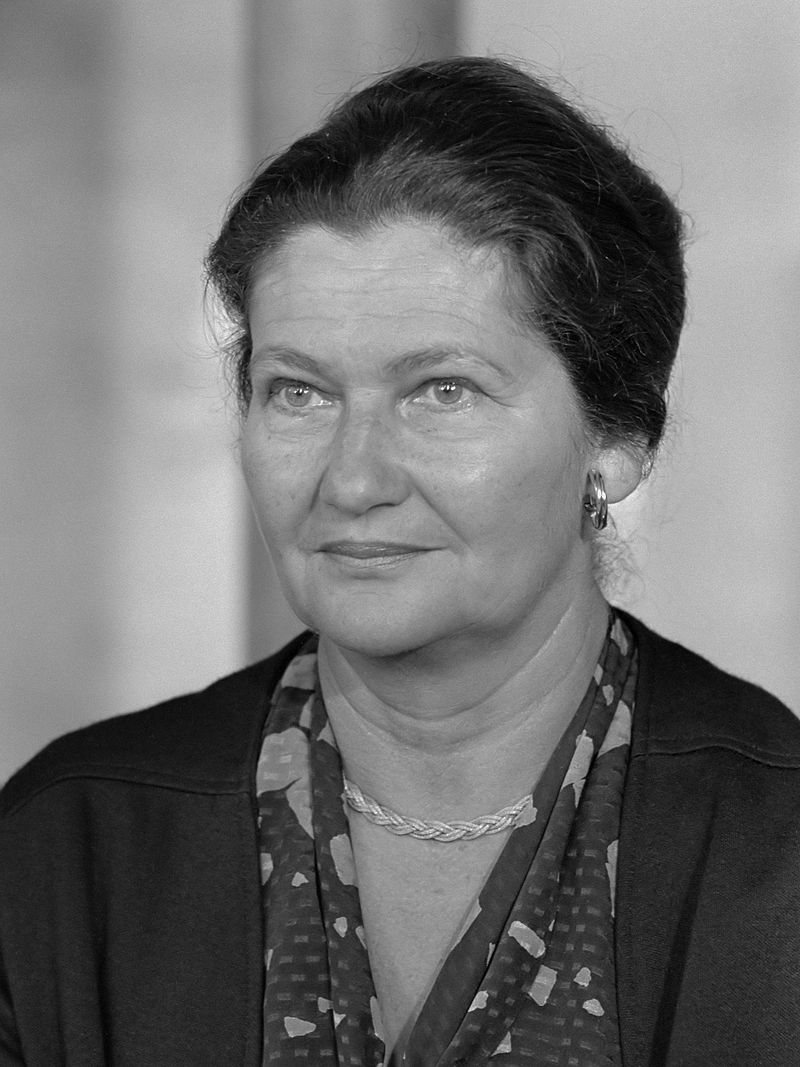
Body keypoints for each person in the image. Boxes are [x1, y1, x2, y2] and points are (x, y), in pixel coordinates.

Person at [1, 56, 798, 1067]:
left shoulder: (777, 855)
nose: (353, 475)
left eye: (441, 390)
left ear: (614, 435)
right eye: (298, 391)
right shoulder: (67, 851)